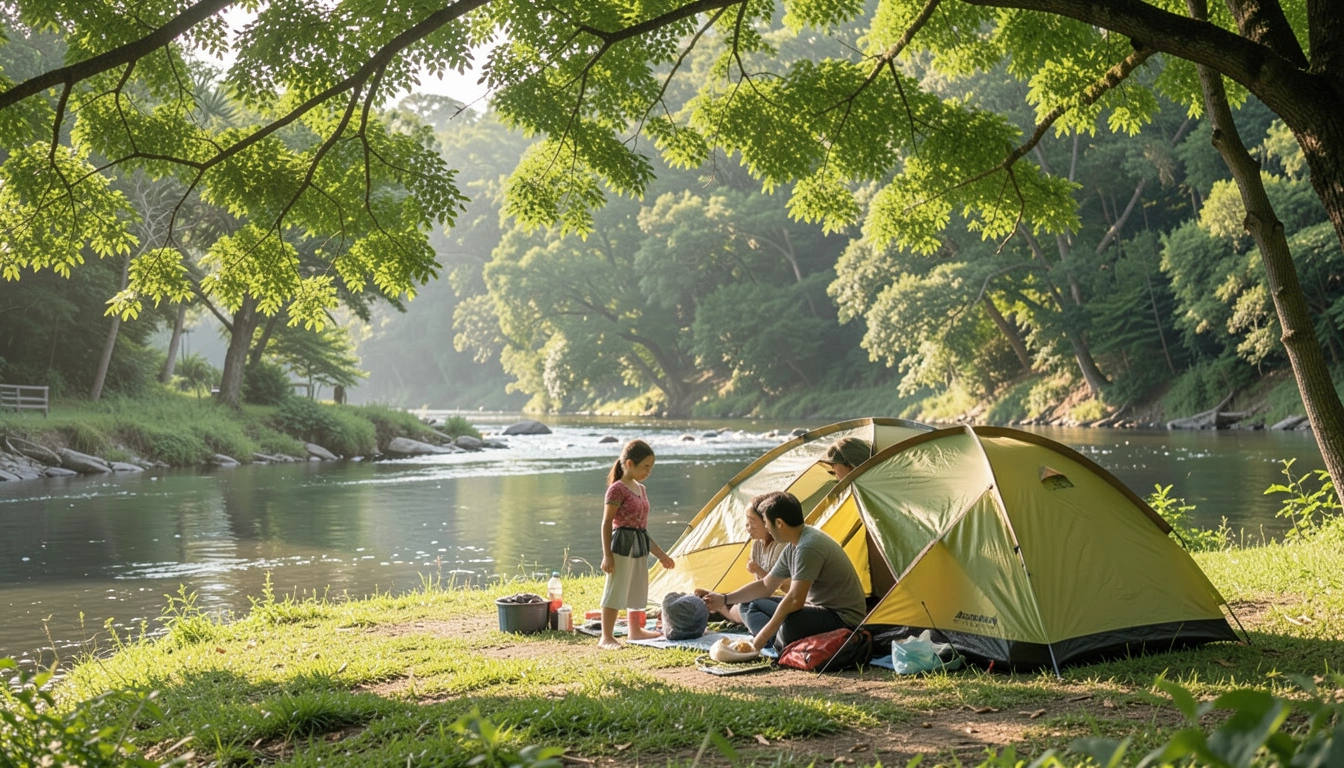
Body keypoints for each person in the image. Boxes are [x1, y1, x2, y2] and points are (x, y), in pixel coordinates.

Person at [701, 491, 867, 652]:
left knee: (788, 622)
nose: (766, 527)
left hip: (842, 618)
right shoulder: (794, 545)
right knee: (750, 605)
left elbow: (796, 600)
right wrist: (724, 598)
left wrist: (762, 637)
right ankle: (777, 638)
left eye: (766, 522)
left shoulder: (808, 546)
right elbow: (766, 586)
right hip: (818, 610)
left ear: (779, 523)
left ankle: (773, 641)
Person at [599, 439, 675, 650]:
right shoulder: (617, 489)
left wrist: (661, 555)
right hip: (622, 544)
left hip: (640, 544)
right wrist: (607, 555)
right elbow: (606, 523)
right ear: (630, 463)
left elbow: (642, 528)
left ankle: (635, 630)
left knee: (637, 588)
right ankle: (606, 636)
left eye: (651, 467)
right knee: (616, 589)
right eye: (645, 466)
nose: (648, 471)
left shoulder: (641, 489)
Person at [722, 497, 790, 625]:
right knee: (744, 604)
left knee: (748, 607)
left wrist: (758, 569)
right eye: (747, 521)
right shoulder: (757, 545)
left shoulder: (782, 545)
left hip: (783, 599)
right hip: (766, 598)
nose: (747, 526)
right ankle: (722, 606)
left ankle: (723, 608)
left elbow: (782, 586)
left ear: (766, 521)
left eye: (752, 521)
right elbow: (758, 584)